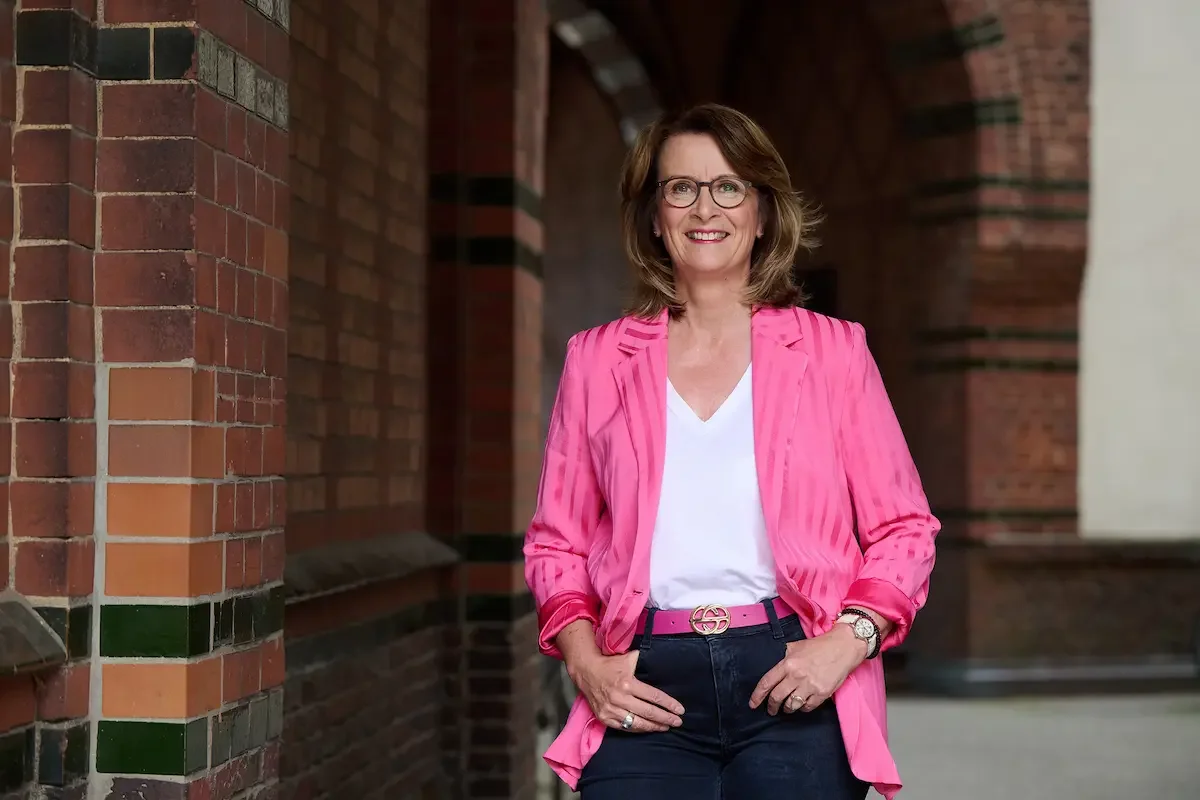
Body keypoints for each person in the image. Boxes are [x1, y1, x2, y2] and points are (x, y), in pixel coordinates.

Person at [524, 103, 939, 799]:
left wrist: (846, 643)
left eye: (728, 186)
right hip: (645, 682)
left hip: (791, 679)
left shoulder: (833, 352)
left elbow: (905, 528)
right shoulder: (597, 360)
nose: (703, 207)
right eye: (680, 187)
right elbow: (555, 544)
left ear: (763, 211)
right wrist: (587, 662)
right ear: (655, 216)